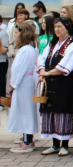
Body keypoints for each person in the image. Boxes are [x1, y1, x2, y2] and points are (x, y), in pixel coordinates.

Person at [38, 17, 73, 156]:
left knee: (63, 111)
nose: (56, 29)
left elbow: (67, 65)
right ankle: (54, 144)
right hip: (51, 82)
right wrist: (41, 71)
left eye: (59, 27)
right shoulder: (53, 44)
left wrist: (47, 73)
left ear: (67, 28)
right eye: (55, 27)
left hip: (65, 83)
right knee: (51, 111)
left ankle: (65, 145)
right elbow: (42, 58)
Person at [8, 22, 39, 153]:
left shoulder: (25, 50)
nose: (14, 35)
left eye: (16, 33)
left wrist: (13, 84)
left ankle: (27, 141)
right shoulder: (30, 49)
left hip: (23, 83)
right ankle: (27, 138)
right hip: (26, 82)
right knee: (25, 109)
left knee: (24, 110)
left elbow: (19, 69)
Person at [0, 17, 8, 105]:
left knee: (1, 82)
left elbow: (5, 49)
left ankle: (1, 102)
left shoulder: (3, 33)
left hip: (1, 61)